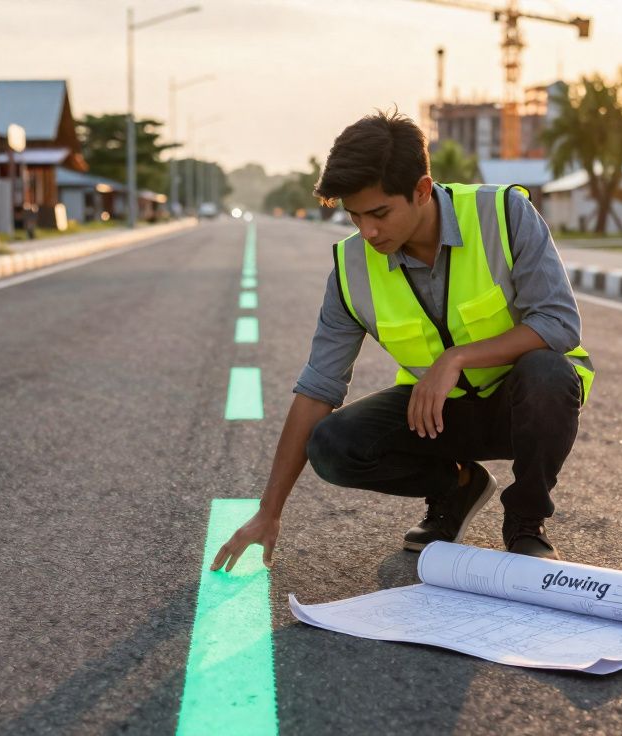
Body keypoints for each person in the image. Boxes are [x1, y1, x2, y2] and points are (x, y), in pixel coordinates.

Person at [210, 110, 594, 572]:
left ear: (422, 190)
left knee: (548, 370)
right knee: (331, 445)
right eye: (354, 215)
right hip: (437, 416)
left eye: (379, 213)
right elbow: (318, 388)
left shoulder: (503, 215)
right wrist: (268, 512)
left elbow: (558, 322)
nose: (367, 231)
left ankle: (526, 522)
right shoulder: (352, 266)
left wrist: (457, 358)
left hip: (525, 407)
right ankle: (457, 487)